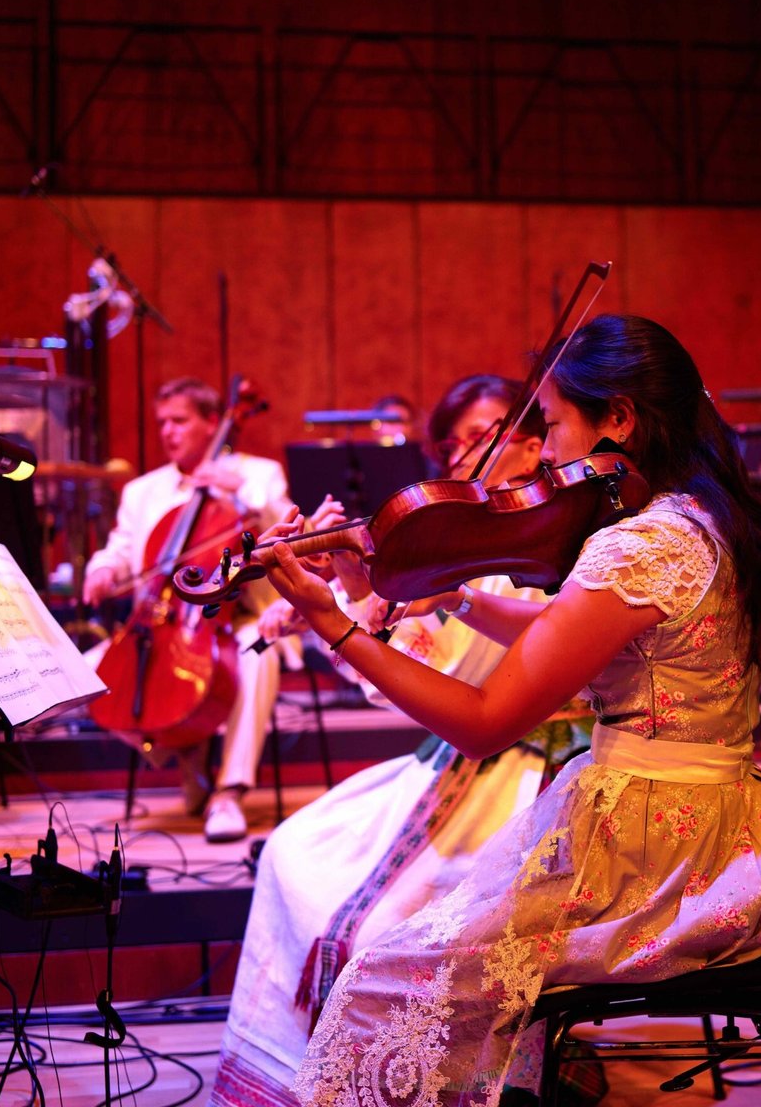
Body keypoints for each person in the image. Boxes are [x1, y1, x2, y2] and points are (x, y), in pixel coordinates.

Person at [258, 315, 761, 1105]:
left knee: (381, 982)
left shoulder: (641, 545)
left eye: (551, 425)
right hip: (711, 830)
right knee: (418, 963)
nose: (543, 451)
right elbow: (565, 631)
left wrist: (333, 623)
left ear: (618, 419)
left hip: (655, 854)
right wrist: (455, 595)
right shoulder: (700, 518)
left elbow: (484, 723)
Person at [210, 373, 600, 1107]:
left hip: (533, 766)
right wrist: (356, 593)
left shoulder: (568, 547)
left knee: (384, 927)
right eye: (453, 443)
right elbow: (418, 676)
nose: (470, 453)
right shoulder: (466, 543)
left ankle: (441, 1087)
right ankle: (301, 1079)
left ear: (531, 437)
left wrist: (355, 606)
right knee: (293, 854)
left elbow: (471, 684)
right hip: (454, 761)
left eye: (490, 431)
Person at [83, 377, 294, 842]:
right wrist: (101, 568)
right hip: (161, 623)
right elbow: (120, 550)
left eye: (179, 420)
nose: (168, 432)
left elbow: (291, 528)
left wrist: (241, 492)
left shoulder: (257, 474)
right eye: (162, 422)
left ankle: (228, 792)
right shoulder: (143, 491)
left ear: (212, 423)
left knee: (256, 653)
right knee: (87, 679)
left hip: (239, 617)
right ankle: (184, 750)